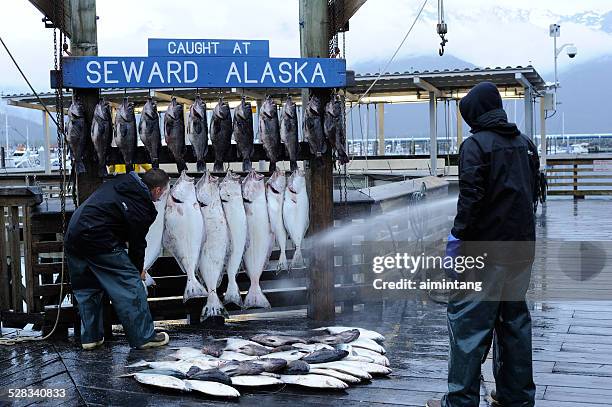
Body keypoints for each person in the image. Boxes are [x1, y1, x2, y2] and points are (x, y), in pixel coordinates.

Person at [427, 82, 540, 407]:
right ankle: (514, 398)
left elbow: (471, 201)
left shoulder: (475, 146)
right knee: (514, 326)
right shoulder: (525, 145)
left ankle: (460, 402)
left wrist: (457, 240)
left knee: (468, 329)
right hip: (521, 253)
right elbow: (530, 197)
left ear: (475, 115)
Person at [65, 168, 170, 350]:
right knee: (130, 285)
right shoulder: (142, 207)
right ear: (158, 190)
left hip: (74, 234)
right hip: (98, 238)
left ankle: (91, 338)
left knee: (87, 289)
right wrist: (137, 271)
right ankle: (144, 337)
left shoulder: (120, 184)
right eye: (164, 191)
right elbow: (137, 244)